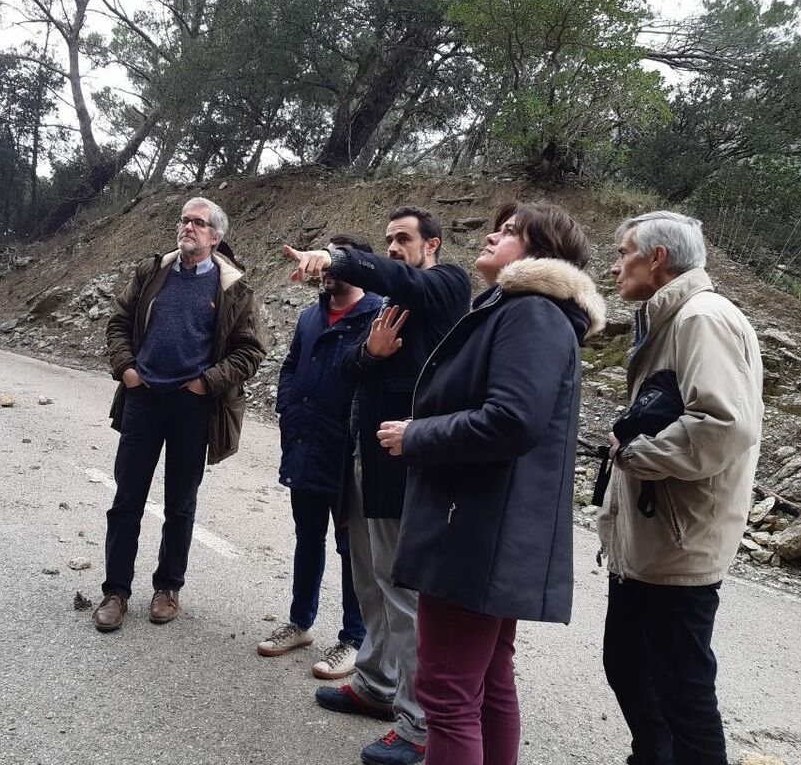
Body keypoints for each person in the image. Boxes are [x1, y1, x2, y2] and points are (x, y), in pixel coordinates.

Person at [377, 201, 604, 765]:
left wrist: (418, 435)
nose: (490, 237)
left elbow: (512, 420)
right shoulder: (523, 310)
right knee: (487, 683)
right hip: (485, 526)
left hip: (473, 530)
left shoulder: (529, 313)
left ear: (541, 253)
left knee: (448, 696)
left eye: (509, 232)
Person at [284, 207, 471, 765]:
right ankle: (375, 685)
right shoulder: (388, 306)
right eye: (387, 238)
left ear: (432, 245)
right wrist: (371, 351)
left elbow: (401, 279)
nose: (393, 247)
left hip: (405, 465)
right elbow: (345, 366)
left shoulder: (445, 285)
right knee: (368, 580)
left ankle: (418, 724)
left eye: (403, 238)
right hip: (362, 459)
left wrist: (340, 260)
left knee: (402, 593)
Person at [600, 210, 763, 765]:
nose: (615, 265)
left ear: (657, 258)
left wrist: (639, 456)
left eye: (624, 253)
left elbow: (726, 425)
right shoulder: (669, 320)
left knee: (683, 689)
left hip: (679, 540)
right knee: (627, 664)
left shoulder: (703, 318)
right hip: (652, 540)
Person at [94, 196, 266, 632]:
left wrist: (205, 383)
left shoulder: (234, 289)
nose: (187, 227)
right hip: (144, 400)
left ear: (216, 236)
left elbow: (250, 351)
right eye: (184, 220)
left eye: (198, 223)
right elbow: (118, 322)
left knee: (180, 504)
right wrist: (127, 369)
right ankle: (115, 592)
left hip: (194, 407)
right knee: (127, 497)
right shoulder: (152, 272)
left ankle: (168, 587)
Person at [258, 234, 382, 680]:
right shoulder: (311, 316)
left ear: (355, 265)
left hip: (350, 454)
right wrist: (287, 409)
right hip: (307, 446)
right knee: (306, 537)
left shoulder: (378, 315)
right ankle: (300, 623)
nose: (322, 268)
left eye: (332, 261)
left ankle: (354, 638)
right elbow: (291, 365)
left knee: (353, 549)